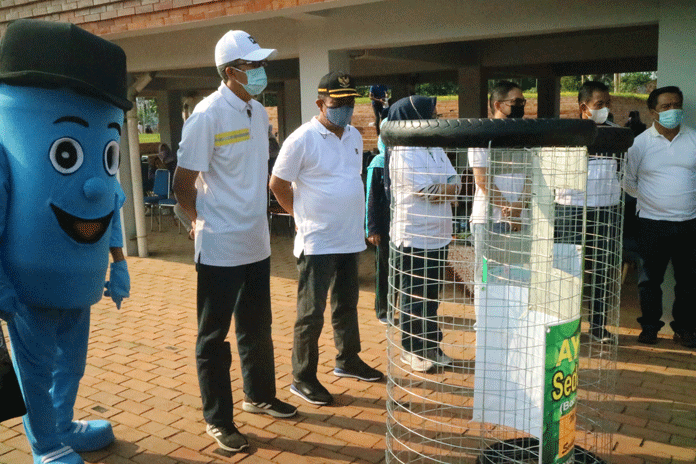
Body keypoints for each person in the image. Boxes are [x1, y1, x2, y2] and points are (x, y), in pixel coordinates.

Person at [0, 19, 130, 464]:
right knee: (34, 367)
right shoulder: (6, 140)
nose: (91, 182)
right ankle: (46, 445)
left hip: (82, 275)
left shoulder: (104, 177)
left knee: (70, 362)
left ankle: (63, 424)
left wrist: (119, 262)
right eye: (67, 153)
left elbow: (109, 198)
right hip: (27, 280)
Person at [173, 29, 297, 453]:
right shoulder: (206, 116)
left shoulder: (259, 112)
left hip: (256, 241)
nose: (261, 72)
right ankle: (218, 419)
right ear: (230, 72)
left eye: (262, 64)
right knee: (213, 336)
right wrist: (198, 220)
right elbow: (182, 183)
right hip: (220, 245)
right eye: (253, 66)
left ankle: (259, 395)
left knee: (256, 326)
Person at [270, 71, 383, 406]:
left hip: (349, 238)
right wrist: (301, 217)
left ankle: (348, 359)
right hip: (317, 241)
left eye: (350, 102)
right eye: (338, 104)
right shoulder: (301, 139)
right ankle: (302, 377)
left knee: (346, 305)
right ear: (320, 103)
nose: (345, 109)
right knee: (311, 313)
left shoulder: (353, 137)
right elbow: (277, 185)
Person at [389, 95, 461, 373]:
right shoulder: (405, 151)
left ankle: (431, 345)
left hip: (439, 235)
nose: (437, 119)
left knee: (432, 296)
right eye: (432, 114)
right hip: (414, 236)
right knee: (413, 296)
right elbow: (428, 193)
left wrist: (444, 189)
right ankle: (411, 349)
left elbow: (455, 180)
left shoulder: (434, 147)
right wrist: (445, 190)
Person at [622, 85, 696, 348]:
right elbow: (628, 182)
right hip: (651, 223)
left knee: (688, 282)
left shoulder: (693, 139)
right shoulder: (639, 144)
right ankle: (650, 328)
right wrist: (653, 200)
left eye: (676, 104)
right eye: (665, 106)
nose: (672, 110)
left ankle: (685, 329)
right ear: (653, 112)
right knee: (649, 281)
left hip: (689, 223)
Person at [554, 81, 622, 344]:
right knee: (567, 269)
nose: (605, 108)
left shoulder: (616, 134)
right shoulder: (566, 133)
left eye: (608, 103)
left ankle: (598, 325)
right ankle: (565, 327)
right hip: (570, 210)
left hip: (606, 209)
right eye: (599, 104)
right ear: (584, 107)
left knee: (603, 268)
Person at [468, 81, 529, 284]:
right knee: (486, 276)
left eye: (523, 101)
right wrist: (507, 208)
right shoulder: (481, 134)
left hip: (521, 219)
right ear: (497, 105)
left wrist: (518, 209)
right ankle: (484, 316)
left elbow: (532, 176)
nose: (520, 106)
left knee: (518, 276)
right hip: (489, 220)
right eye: (516, 101)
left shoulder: (527, 134)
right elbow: (482, 179)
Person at [365, 137, 390, 324]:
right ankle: (383, 310)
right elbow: (371, 198)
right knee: (383, 269)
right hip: (383, 227)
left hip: (402, 226)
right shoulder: (378, 163)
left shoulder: (404, 162)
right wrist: (372, 228)